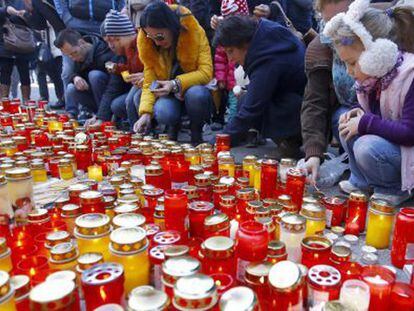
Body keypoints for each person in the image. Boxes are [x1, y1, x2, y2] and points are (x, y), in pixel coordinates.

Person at [324, 0, 414, 204]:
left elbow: (410, 133)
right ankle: (361, 181)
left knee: (367, 145)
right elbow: (371, 109)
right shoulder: (372, 79)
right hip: (392, 145)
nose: (349, 71)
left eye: (353, 63)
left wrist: (365, 123)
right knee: (344, 122)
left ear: (377, 55)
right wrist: (356, 112)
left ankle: (393, 188)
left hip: (408, 155)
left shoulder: (409, 76)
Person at [213, 15, 306, 158]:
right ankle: (288, 142)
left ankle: (291, 144)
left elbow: (251, 109)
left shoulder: (267, 59)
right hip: (297, 97)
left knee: (247, 103)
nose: (230, 60)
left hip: (305, 108)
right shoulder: (264, 33)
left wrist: (219, 142)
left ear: (244, 43)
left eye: (231, 51)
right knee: (245, 99)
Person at [135, 1, 213, 145]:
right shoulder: (148, 45)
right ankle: (172, 129)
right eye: (150, 38)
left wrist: (175, 84)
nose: (156, 43)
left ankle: (196, 133)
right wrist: (145, 114)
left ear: (171, 27)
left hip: (194, 91)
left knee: (197, 94)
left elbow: (206, 72)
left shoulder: (194, 31)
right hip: (168, 96)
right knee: (163, 111)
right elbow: (149, 82)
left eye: (159, 37)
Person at [89, 10, 144, 130]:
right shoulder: (120, 54)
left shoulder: (142, 44)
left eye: (112, 40)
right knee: (119, 103)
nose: (111, 46)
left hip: (154, 85)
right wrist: (100, 118)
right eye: (107, 42)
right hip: (135, 88)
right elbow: (113, 88)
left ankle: (140, 133)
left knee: (132, 98)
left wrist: (146, 76)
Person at [54, 29, 114, 120]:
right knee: (71, 87)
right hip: (93, 95)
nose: (73, 58)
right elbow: (74, 73)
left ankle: (103, 116)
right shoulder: (79, 54)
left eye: (74, 53)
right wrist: (75, 77)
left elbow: (113, 84)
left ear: (81, 42)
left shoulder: (103, 50)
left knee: (94, 76)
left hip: (109, 96)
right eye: (69, 56)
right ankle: (70, 116)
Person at [211, 0, 249, 131]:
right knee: (233, 106)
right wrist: (221, 78)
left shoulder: (248, 38)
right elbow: (220, 60)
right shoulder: (224, 38)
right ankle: (234, 128)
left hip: (244, 82)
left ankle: (246, 131)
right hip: (231, 82)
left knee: (244, 105)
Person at [0, 0, 33, 101]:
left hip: (23, 42)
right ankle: (4, 102)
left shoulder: (23, 1)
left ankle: (26, 102)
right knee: (5, 72)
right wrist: (7, 10)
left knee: (24, 73)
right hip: (5, 41)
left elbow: (34, 18)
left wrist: (25, 15)